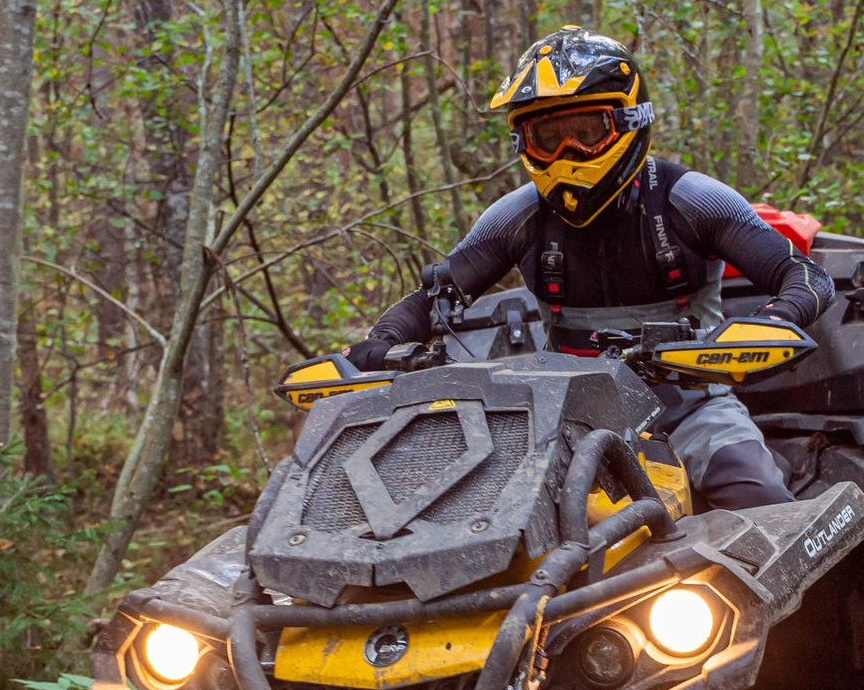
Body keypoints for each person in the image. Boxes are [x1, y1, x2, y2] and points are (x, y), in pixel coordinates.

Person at [349, 27, 830, 510]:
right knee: (475, 515)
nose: (568, 152)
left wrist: (775, 320)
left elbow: (807, 276)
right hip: (564, 419)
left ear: (628, 120)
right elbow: (431, 300)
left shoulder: (694, 199)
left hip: (693, 412)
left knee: (763, 501)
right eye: (548, 138)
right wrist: (382, 343)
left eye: (586, 131)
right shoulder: (516, 216)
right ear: (523, 141)